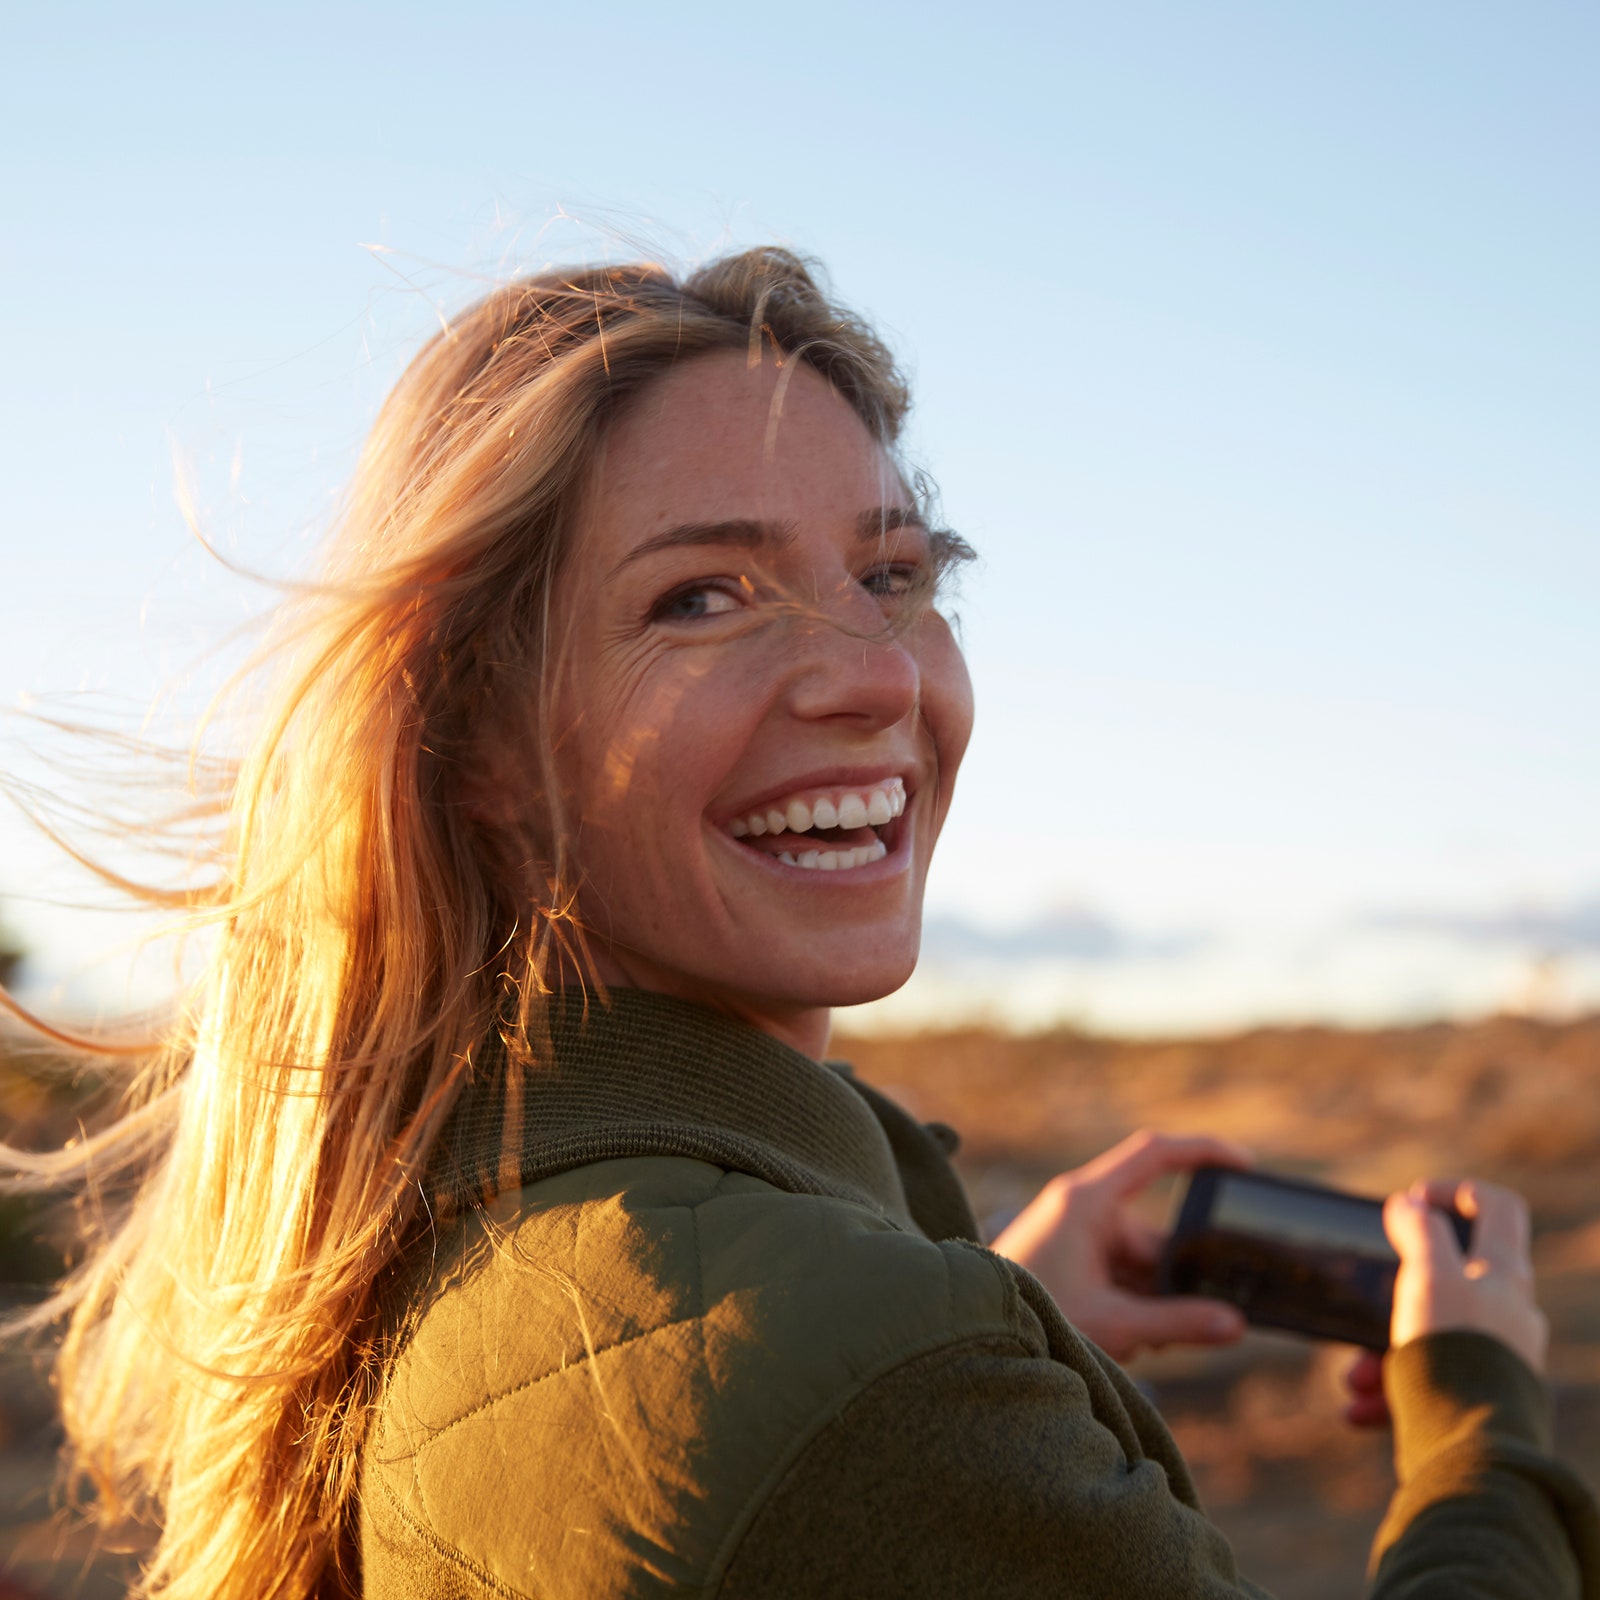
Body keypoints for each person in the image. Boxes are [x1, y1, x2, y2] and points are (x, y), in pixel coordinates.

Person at [3, 248, 1594, 1600]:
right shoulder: (846, 1373)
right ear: (472, 742)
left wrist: (980, 1291)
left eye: (896, 575)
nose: (881, 676)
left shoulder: (437, 1197)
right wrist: (1485, 1423)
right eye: (704, 597)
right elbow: (816, 1425)